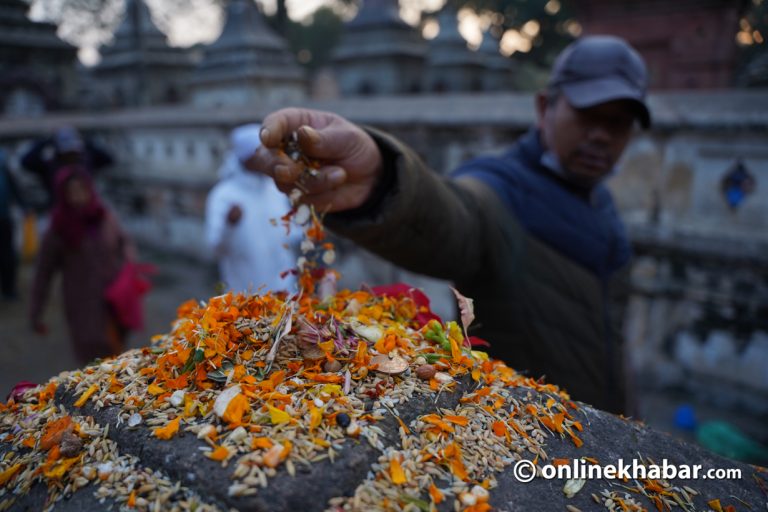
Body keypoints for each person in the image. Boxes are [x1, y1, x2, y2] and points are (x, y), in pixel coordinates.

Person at [251, 35, 652, 414]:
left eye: (618, 123)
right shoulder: (502, 187)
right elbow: (457, 218)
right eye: (588, 115)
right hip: (526, 430)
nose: (602, 136)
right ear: (545, 107)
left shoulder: (601, 201)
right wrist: (381, 183)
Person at [29, 166, 135, 364]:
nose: (78, 196)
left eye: (82, 189)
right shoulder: (59, 229)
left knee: (118, 353)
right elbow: (43, 273)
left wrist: (128, 271)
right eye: (72, 192)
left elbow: (123, 242)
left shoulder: (103, 216)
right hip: (82, 303)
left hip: (113, 297)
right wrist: (36, 313)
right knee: (92, 359)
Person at [205, 124, 297, 294]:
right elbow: (215, 247)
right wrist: (229, 224)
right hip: (246, 295)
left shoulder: (274, 189)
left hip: (284, 292)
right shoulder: (223, 195)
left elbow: (290, 235)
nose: (268, 158)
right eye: (261, 153)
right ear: (246, 157)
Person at [20, 126, 114, 208]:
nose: (71, 158)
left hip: (85, 213)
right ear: (59, 153)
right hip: (58, 212)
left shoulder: (86, 164)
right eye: (67, 154)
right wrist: (46, 141)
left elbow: (109, 159)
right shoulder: (50, 167)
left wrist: (86, 141)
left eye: (73, 153)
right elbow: (26, 162)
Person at [0, 150, 29, 301]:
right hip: (4, 215)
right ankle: (8, 290)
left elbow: (13, 185)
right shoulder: (4, 159)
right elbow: (14, 185)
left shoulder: (4, 161)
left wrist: (23, 205)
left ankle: (8, 289)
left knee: (7, 254)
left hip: (4, 216)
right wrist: (24, 205)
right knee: (7, 253)